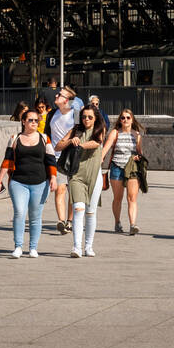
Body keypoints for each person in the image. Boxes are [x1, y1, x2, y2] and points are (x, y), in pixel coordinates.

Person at [0, 107, 56, 258]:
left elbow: (51, 160)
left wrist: (53, 178)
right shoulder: (15, 138)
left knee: (35, 216)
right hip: (18, 182)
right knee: (20, 213)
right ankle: (18, 247)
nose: (34, 123)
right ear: (23, 121)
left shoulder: (44, 138)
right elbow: (7, 160)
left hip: (40, 182)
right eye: (30, 120)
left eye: (36, 120)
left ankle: (33, 248)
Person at [54, 106, 106, 257]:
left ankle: (88, 246)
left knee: (90, 212)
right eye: (84, 117)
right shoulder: (75, 129)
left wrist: (80, 145)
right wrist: (71, 141)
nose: (86, 120)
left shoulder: (99, 129)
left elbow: (96, 143)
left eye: (90, 117)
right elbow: (58, 146)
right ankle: (76, 247)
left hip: (94, 175)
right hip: (76, 175)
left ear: (95, 118)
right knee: (78, 209)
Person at [103, 108, 144, 234]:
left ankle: (133, 225)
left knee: (132, 198)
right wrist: (99, 161)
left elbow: (140, 152)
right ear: (120, 120)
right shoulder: (115, 133)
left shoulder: (136, 135)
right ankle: (117, 222)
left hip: (132, 169)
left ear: (132, 120)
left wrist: (138, 157)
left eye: (128, 117)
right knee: (118, 198)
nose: (125, 120)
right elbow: (105, 149)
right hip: (117, 167)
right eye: (123, 118)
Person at [45, 86, 78, 234]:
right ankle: (61, 221)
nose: (56, 95)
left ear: (67, 100)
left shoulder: (75, 114)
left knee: (73, 192)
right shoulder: (52, 114)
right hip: (56, 157)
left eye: (60, 94)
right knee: (60, 190)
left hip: (73, 157)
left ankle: (70, 222)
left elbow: (81, 131)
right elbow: (47, 134)